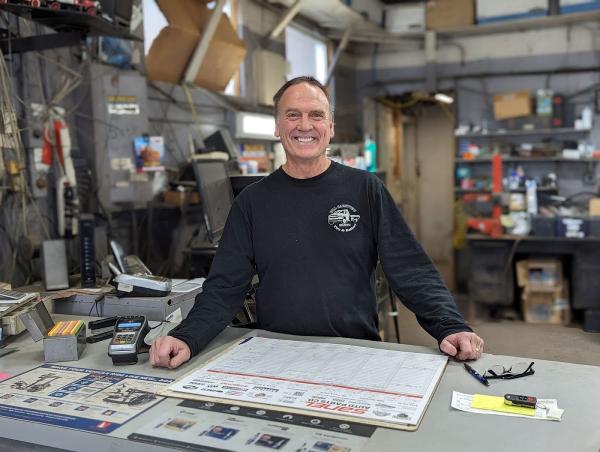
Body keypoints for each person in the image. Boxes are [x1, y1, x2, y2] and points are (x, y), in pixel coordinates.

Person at [150, 76, 484, 369]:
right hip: (276, 353)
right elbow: (224, 287)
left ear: (331, 127)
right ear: (278, 127)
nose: (305, 125)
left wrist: (449, 325)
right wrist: (187, 337)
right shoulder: (251, 202)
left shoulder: (365, 189)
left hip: (356, 351)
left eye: (316, 115)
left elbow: (411, 269)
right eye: (292, 115)